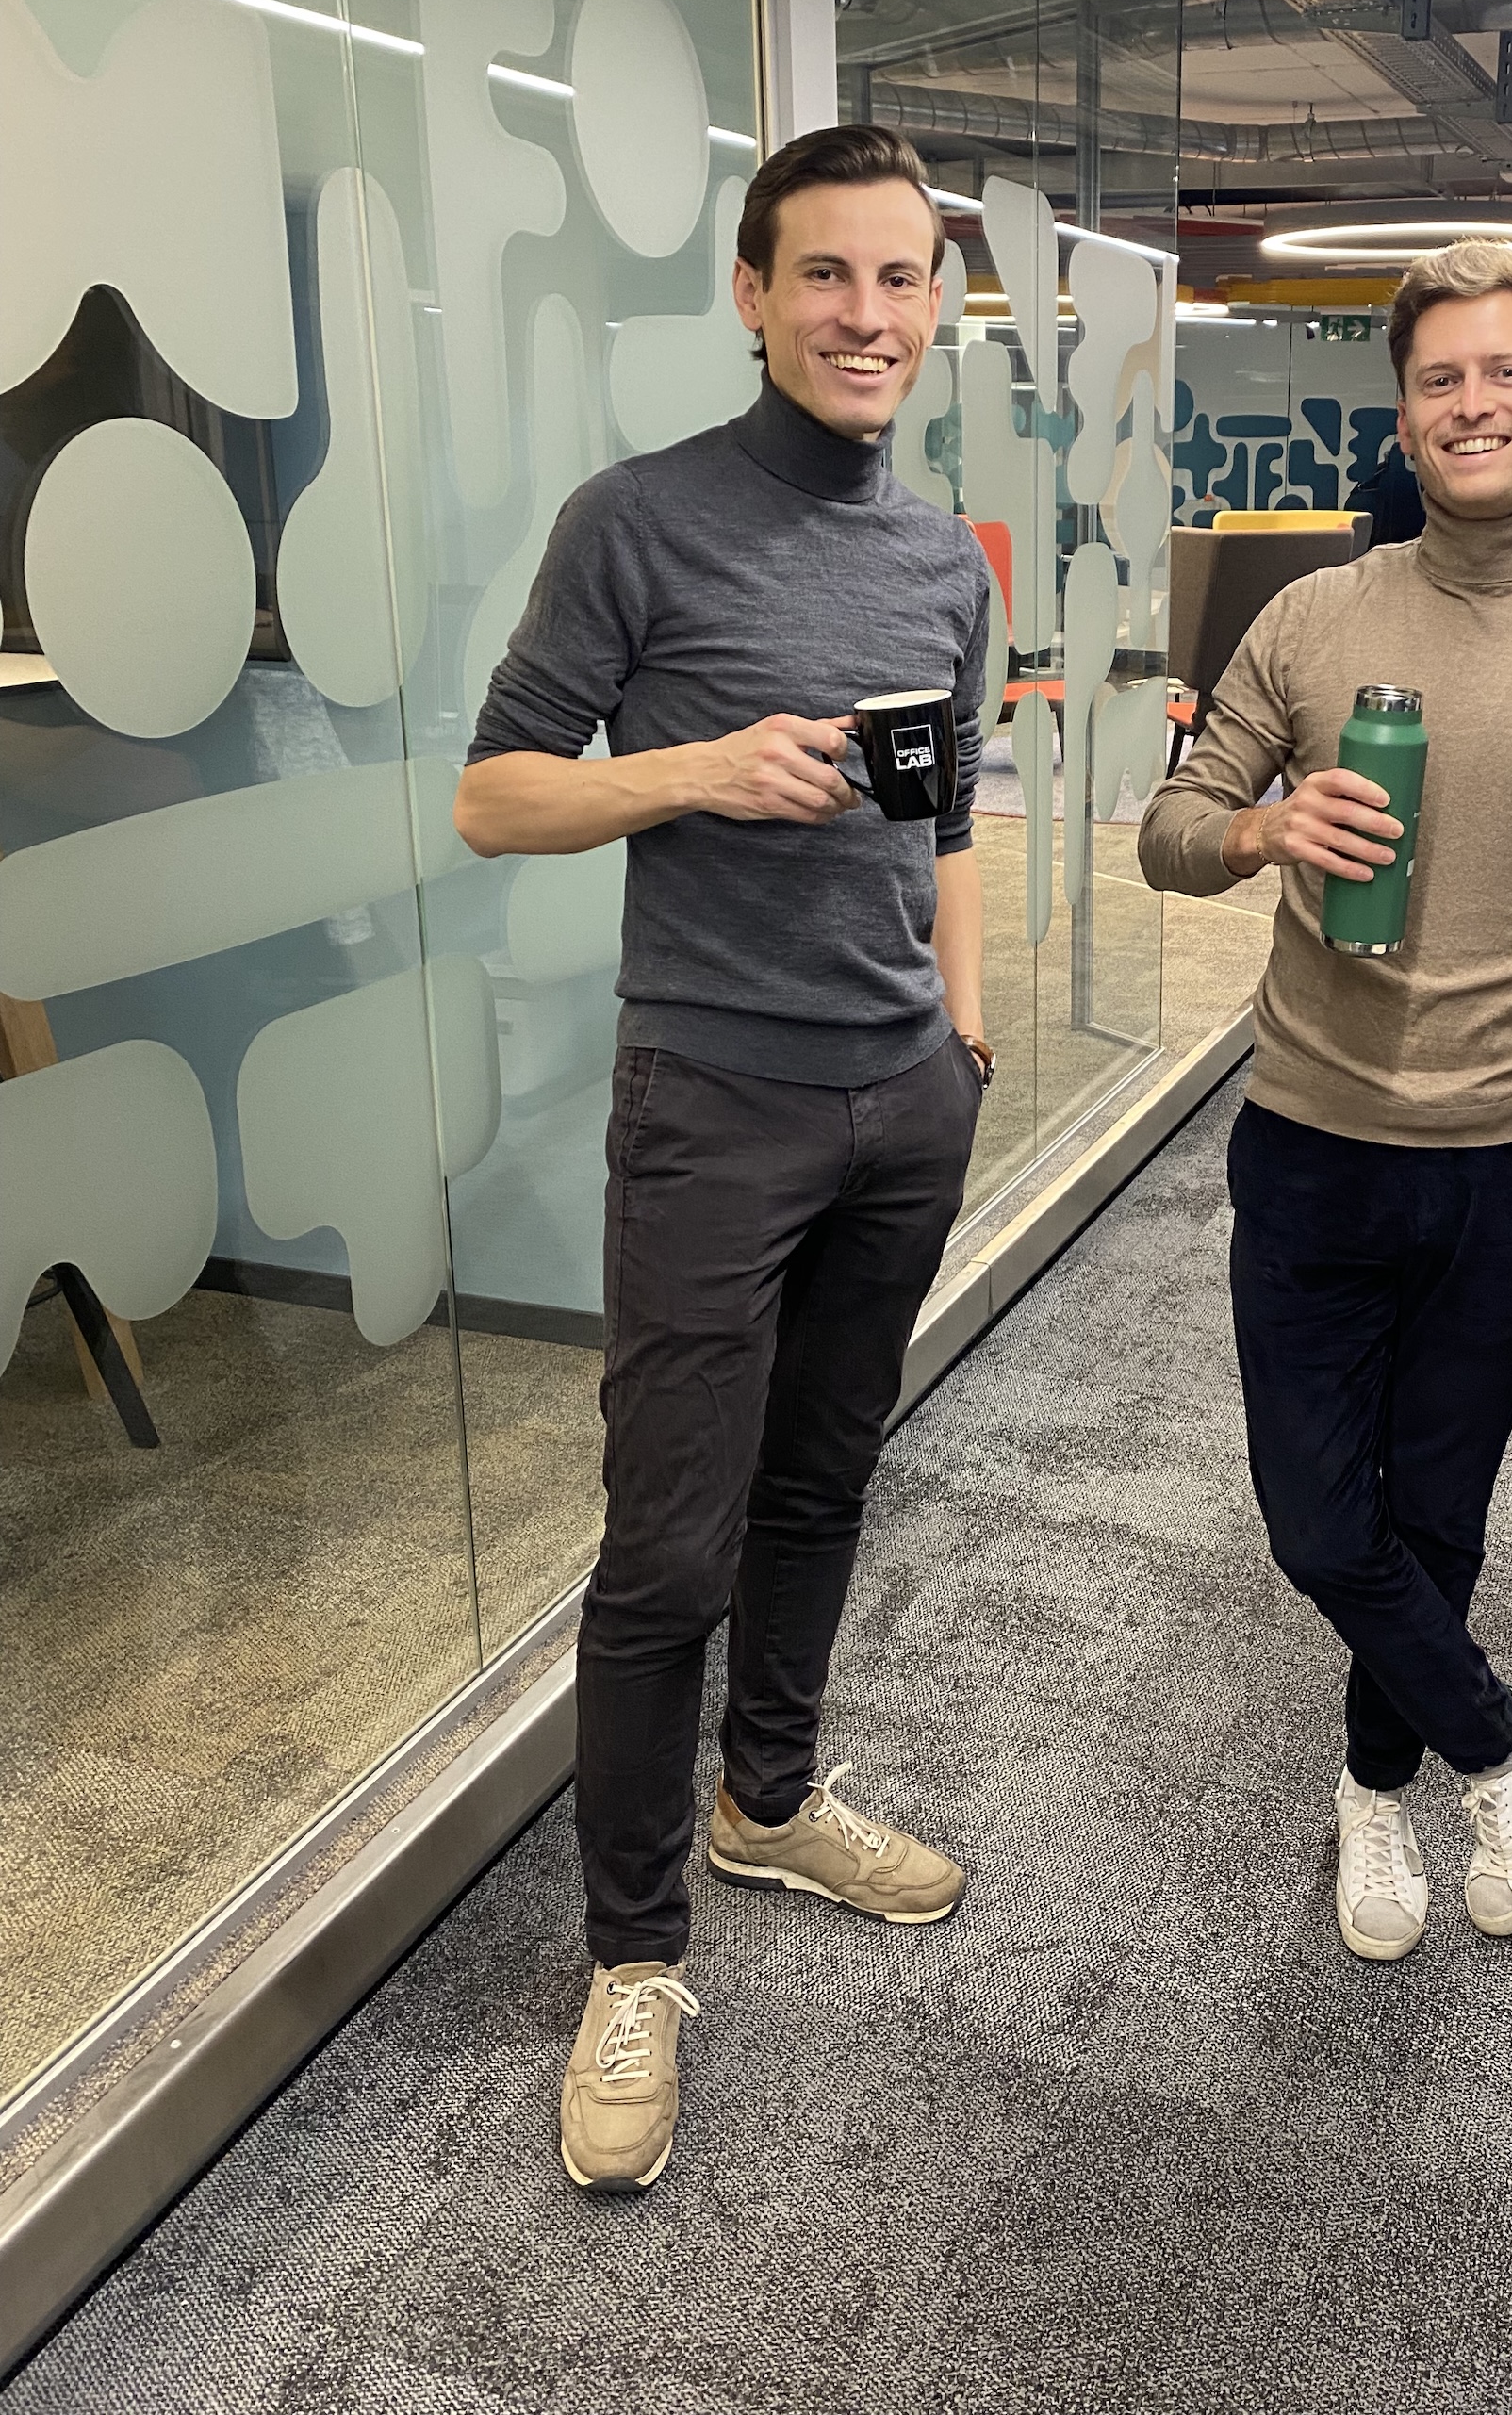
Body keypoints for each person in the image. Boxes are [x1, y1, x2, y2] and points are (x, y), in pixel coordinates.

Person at [456, 125, 994, 2192]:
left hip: (899, 1103)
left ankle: (768, 1800)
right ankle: (634, 1954)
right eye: (825, 276)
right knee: (664, 1548)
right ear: (754, 295)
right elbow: (495, 797)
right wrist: (693, 770)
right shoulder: (639, 522)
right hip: (710, 1101)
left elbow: (952, 820)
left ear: (933, 308)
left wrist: (961, 1030)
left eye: (900, 280)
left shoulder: (942, 558)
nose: (867, 315)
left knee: (822, 1483)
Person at [1138, 241, 1512, 1964]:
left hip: (1507, 1167)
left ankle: (1373, 1786)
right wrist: (1260, 826)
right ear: (1404, 417)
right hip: (1311, 1143)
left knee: (1437, 1516)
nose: (1471, 405)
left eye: (1503, 373)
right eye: (1438, 380)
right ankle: (1502, 1734)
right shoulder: (1312, 621)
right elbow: (1170, 828)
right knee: (1318, 1519)